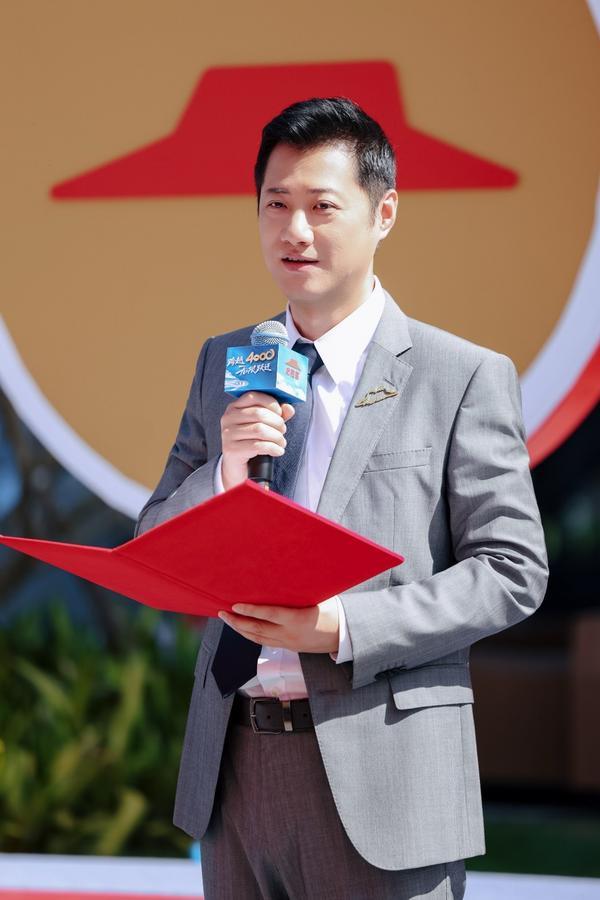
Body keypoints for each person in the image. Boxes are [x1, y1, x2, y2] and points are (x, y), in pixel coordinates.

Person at [135, 97, 548, 899]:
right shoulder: (227, 362)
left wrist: (343, 628)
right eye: (275, 205)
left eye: (322, 207)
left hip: (385, 776)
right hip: (235, 766)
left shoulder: (460, 375)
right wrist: (225, 471)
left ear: (383, 213)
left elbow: (511, 571)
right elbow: (155, 538)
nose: (295, 230)